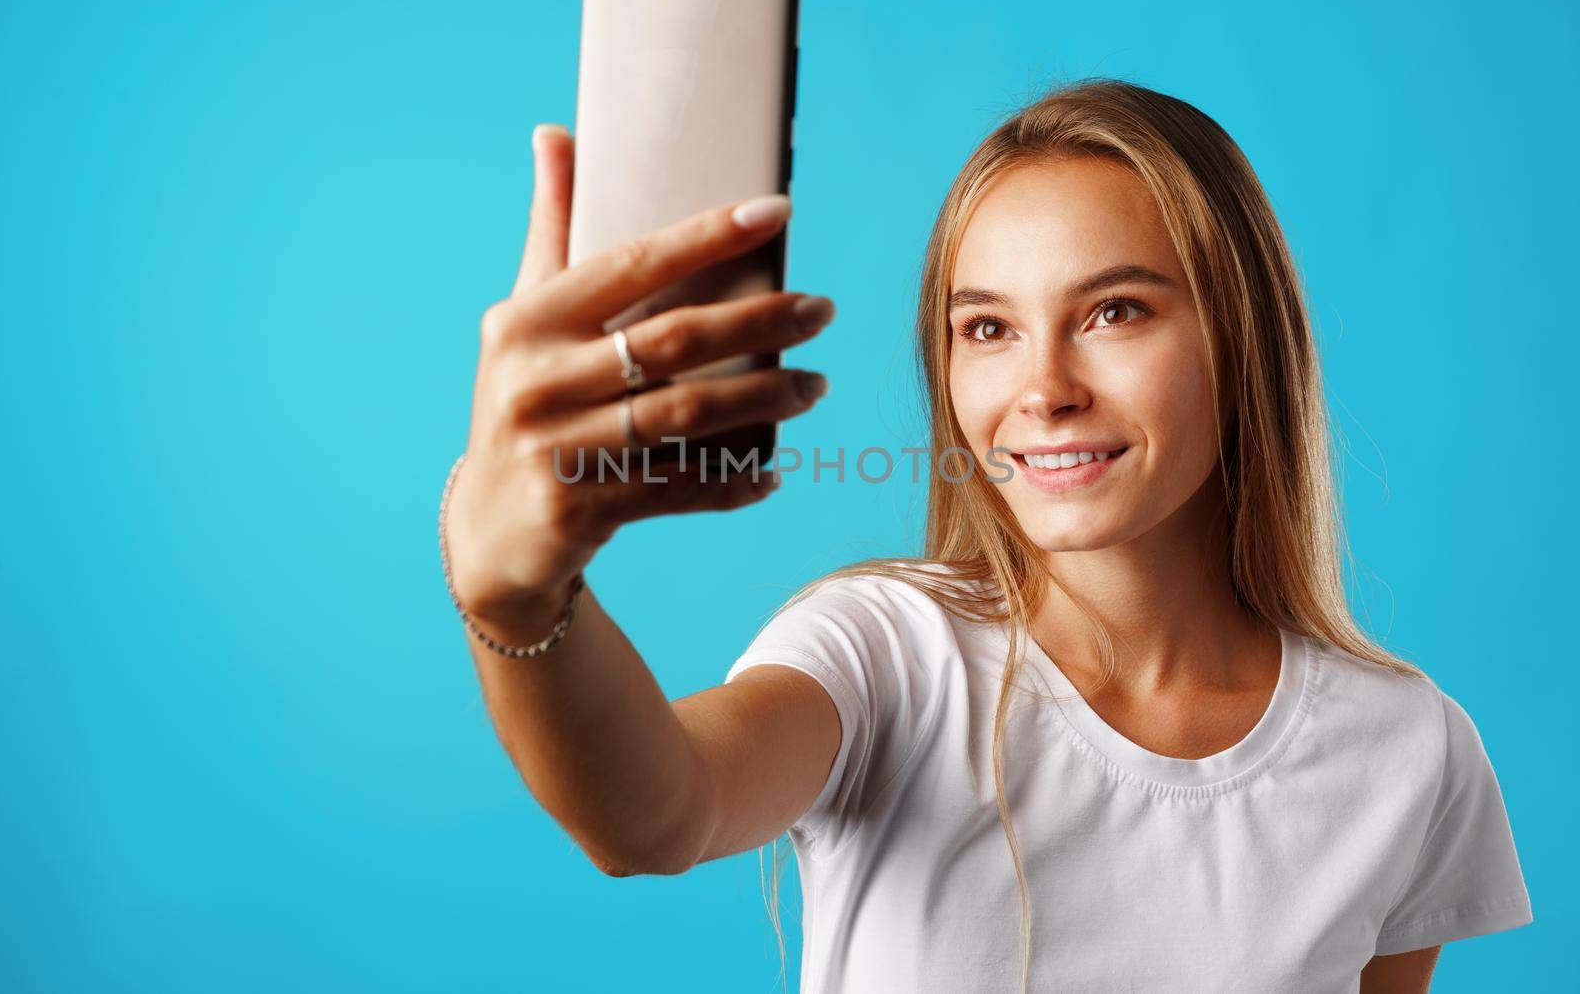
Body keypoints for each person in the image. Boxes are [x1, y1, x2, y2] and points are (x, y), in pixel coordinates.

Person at [439, 78, 1533, 993]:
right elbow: (655, 811)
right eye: (988, 328)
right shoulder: (885, 652)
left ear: (1241, 338)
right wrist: (517, 599)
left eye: (1116, 311)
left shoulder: (1408, 748)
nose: (1043, 389)